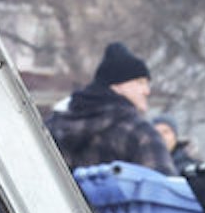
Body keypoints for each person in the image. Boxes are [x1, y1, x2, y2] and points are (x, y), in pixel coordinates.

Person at [44, 42, 176, 176]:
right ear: (117, 85)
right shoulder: (140, 133)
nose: (147, 91)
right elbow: (164, 190)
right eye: (140, 82)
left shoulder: (52, 126)